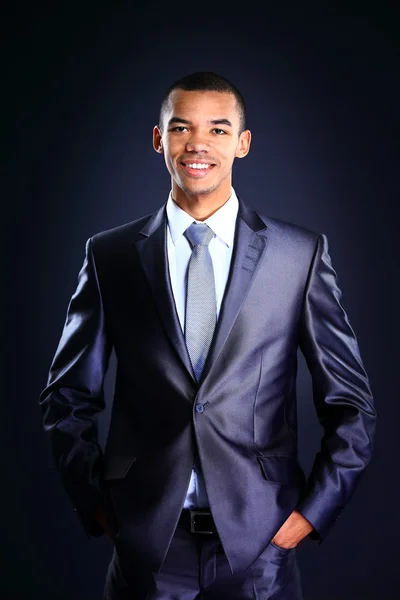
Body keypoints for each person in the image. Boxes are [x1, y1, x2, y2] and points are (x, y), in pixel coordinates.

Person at [39, 71, 376, 600]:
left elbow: (351, 402)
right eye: (181, 128)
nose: (198, 144)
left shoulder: (298, 256)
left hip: (261, 547)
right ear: (159, 139)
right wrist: (99, 505)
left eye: (218, 130)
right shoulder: (109, 255)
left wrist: (310, 515)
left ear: (242, 144)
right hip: (148, 546)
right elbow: (67, 395)